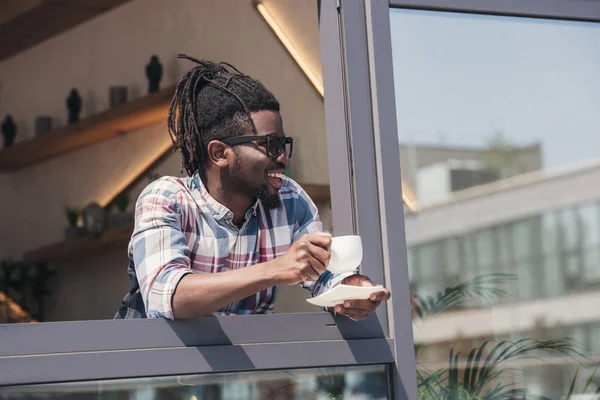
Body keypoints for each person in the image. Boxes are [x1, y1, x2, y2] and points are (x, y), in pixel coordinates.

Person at [115, 54, 390, 321]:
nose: (282, 157)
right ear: (220, 154)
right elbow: (168, 297)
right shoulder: (167, 199)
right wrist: (275, 269)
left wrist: (350, 290)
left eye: (283, 145)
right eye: (269, 145)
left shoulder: (289, 199)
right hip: (151, 365)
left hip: (242, 368)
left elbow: (324, 275)